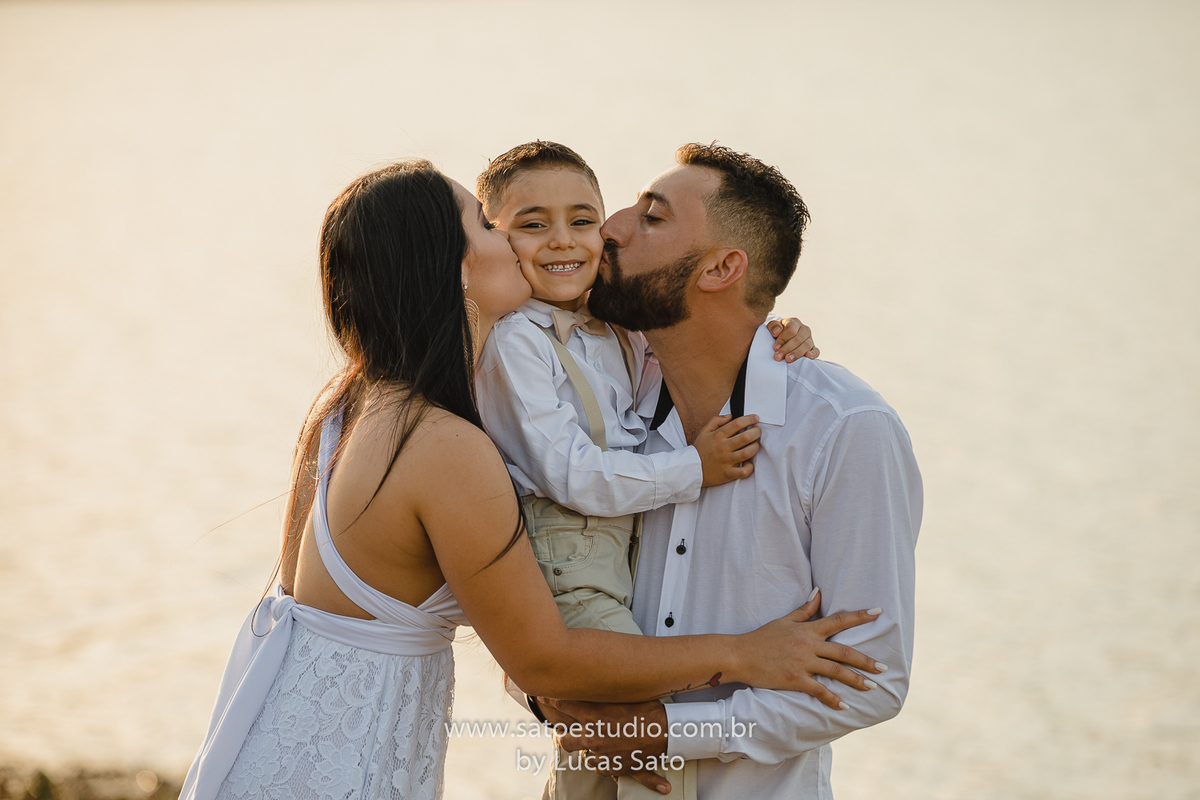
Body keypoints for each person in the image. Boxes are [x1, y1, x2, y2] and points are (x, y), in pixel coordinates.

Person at [179, 159, 888, 800]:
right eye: (488, 224)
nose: (531, 240)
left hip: (279, 751)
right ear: (453, 266)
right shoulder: (441, 446)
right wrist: (740, 653)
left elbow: (513, 614)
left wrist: (767, 333)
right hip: (342, 777)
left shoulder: (348, 406)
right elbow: (545, 653)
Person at [535, 143, 923, 799]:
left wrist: (668, 731)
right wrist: (551, 699)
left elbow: (873, 679)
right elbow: (536, 593)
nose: (611, 229)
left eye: (652, 218)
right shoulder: (587, 403)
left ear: (720, 267)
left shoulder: (845, 430)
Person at [473, 141, 819, 800]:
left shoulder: (620, 331)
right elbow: (571, 476)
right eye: (531, 224)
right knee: (637, 737)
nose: (566, 240)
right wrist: (695, 469)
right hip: (568, 561)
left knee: (621, 739)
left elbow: (703, 333)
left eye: (583, 219)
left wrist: (778, 333)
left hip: (617, 558)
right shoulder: (517, 341)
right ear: (494, 242)